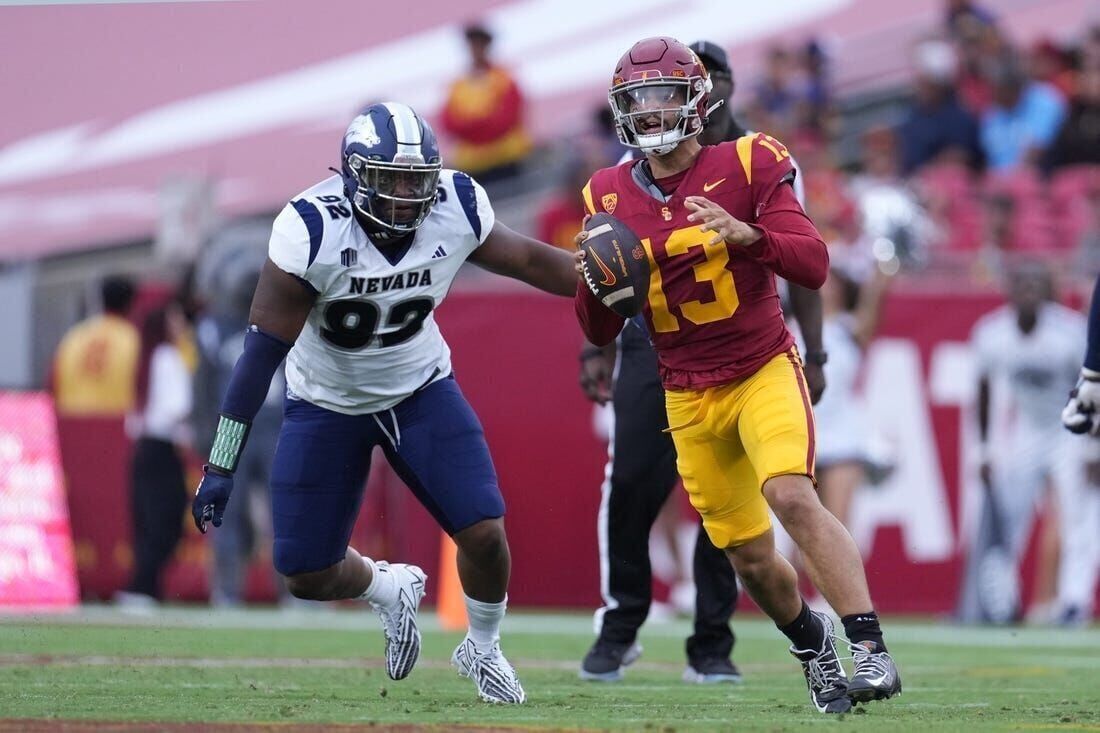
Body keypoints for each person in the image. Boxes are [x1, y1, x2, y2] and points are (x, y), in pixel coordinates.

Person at [190, 102, 576, 704]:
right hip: (326, 402)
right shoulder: (311, 230)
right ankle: (387, 587)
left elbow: (529, 260)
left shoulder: (455, 205)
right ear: (352, 177)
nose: (403, 196)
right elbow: (257, 358)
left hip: (419, 390)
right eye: (388, 180)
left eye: (414, 181)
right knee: (305, 572)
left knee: (484, 531)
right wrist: (220, 464)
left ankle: (483, 646)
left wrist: (604, 284)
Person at [574, 37, 901, 713]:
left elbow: (812, 263)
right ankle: (814, 646)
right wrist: (598, 280)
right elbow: (599, 327)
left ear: (697, 99)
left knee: (790, 492)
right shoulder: (606, 192)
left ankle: (869, 646)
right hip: (685, 392)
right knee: (750, 559)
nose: (651, 111)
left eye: (664, 94)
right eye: (637, 100)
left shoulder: (753, 159)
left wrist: (750, 236)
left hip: (759, 367)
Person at [963, 262, 1098, 625]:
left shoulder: (1069, 332)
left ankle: (1073, 602)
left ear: (1048, 292)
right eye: (1022, 285)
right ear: (1010, 291)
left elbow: (1092, 388)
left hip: (1070, 430)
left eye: (1036, 285)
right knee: (1009, 517)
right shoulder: (992, 333)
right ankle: (1001, 600)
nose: (1029, 293)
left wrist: (1092, 447)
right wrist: (986, 447)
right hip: (1026, 430)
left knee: (1078, 516)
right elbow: (985, 387)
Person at [116, 302, 193, 608]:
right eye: (175, 319)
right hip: (161, 447)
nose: (181, 324)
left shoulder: (147, 358)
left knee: (149, 520)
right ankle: (141, 587)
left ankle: (147, 586)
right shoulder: (169, 358)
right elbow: (178, 407)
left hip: (145, 448)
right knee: (166, 520)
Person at [440, 23, 532, 184]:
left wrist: (472, 128)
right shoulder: (457, 86)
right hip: (473, 166)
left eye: (480, 44)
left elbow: (505, 119)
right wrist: (483, 124)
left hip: (505, 160)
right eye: (473, 44)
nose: (476, 49)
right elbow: (449, 123)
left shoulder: (504, 79)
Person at [52, 275, 139, 417]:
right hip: (115, 423)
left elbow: (52, 380)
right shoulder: (132, 339)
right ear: (131, 303)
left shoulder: (75, 336)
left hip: (72, 421)